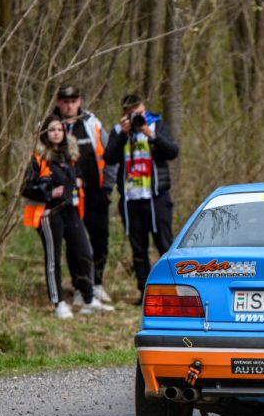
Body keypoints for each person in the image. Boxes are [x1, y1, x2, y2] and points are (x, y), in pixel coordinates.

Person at [22, 114, 114, 318]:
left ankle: (88, 298)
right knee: (53, 258)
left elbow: (78, 176)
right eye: (52, 130)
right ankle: (58, 303)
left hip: (71, 210)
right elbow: (26, 188)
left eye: (59, 129)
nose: (56, 133)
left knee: (85, 251)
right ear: (45, 133)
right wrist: (48, 193)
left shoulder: (70, 155)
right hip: (49, 212)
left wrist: (79, 182)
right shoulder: (37, 158)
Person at [104, 94, 179, 303]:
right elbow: (108, 157)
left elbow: (173, 151)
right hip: (131, 199)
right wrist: (122, 134)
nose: (135, 115)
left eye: (138, 110)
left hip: (156, 197)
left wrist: (149, 134)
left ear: (144, 108)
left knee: (164, 244)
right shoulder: (119, 131)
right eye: (129, 112)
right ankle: (145, 293)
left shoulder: (157, 125)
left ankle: (172, 291)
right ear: (123, 113)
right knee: (138, 248)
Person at [52, 84, 117, 306]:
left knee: (100, 239)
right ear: (59, 102)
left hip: (95, 192)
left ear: (79, 101)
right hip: (67, 196)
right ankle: (79, 286)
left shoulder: (92, 123)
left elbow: (109, 155)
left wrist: (108, 187)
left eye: (73, 101)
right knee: (74, 242)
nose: (69, 105)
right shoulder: (51, 126)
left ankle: (96, 283)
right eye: (65, 101)